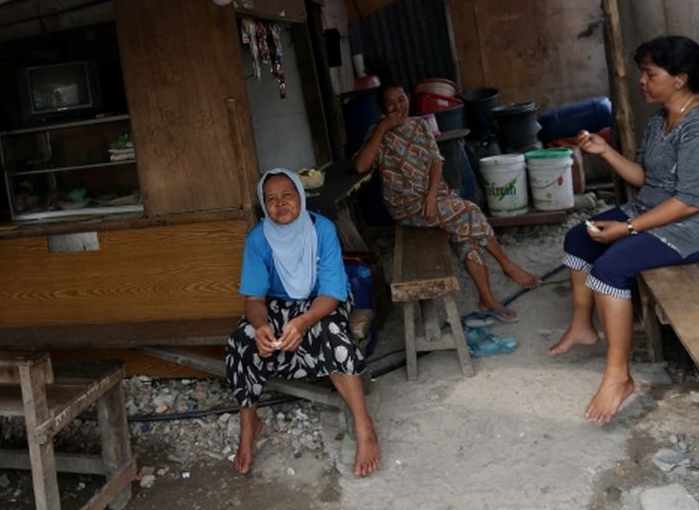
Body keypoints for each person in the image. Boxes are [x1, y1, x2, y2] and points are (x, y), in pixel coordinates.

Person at [549, 35, 699, 423]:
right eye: (642, 72)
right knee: (579, 238)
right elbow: (644, 178)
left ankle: (618, 376)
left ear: (679, 79)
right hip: (659, 210)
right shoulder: (661, 120)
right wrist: (604, 152)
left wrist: (628, 229)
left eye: (649, 73)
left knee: (613, 265)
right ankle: (582, 326)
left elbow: (692, 201)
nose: (641, 80)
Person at [224, 169, 380, 477]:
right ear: (263, 205)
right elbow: (255, 300)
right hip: (278, 305)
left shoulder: (322, 230)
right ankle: (249, 424)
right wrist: (261, 327)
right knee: (242, 339)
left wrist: (303, 323)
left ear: (300, 196)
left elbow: (333, 292)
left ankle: (364, 425)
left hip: (322, 300)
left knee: (334, 336)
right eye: (271, 199)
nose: (280, 204)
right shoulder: (258, 239)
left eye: (287, 195)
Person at [353, 83, 540, 321]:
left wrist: (432, 195)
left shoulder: (420, 125)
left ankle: (487, 298)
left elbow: (436, 161)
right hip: (408, 207)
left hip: (435, 198)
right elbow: (360, 166)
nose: (397, 107)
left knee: (466, 235)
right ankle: (507, 265)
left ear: (408, 99)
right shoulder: (377, 133)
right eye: (390, 103)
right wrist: (382, 128)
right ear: (382, 108)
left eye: (401, 100)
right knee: (469, 211)